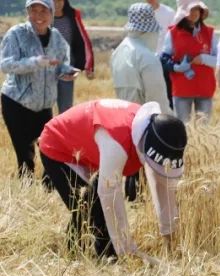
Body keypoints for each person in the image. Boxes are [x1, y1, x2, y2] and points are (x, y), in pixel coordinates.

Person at [38, 99, 186, 262]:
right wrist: (127, 251)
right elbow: (109, 194)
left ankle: (100, 257)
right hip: (59, 146)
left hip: (89, 150)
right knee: (87, 208)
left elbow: (163, 186)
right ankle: (80, 260)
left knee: (92, 209)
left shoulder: (157, 133)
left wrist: (169, 235)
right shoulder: (117, 142)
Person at [1, 0, 77, 179]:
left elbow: (60, 64)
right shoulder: (17, 34)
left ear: (51, 13)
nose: (38, 16)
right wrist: (35, 62)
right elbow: (6, 65)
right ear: (27, 12)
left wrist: (67, 72)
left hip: (44, 105)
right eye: (33, 10)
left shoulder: (57, 37)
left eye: (43, 11)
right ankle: (26, 196)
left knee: (51, 149)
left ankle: (48, 189)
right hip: (16, 102)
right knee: (26, 156)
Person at [161, 0, 217, 123]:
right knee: (182, 128)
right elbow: (163, 60)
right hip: (182, 90)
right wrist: (177, 67)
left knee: (203, 131)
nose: (194, 13)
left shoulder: (210, 33)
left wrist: (204, 59)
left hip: (205, 89)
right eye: (191, 10)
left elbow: (219, 60)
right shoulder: (172, 33)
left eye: (197, 9)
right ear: (183, 13)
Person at [111, 3, 170, 112]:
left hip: (122, 115)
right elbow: (157, 100)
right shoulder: (147, 57)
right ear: (148, 31)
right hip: (144, 119)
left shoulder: (118, 52)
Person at [51, 0, 93, 113]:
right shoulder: (43, 17)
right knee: (45, 105)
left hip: (66, 66)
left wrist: (88, 65)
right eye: (53, 1)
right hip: (46, 66)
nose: (57, 4)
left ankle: (63, 129)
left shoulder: (72, 16)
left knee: (66, 106)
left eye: (59, 0)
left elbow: (83, 38)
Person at [146, 0, 176, 107]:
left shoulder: (169, 13)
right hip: (144, 61)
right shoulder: (140, 12)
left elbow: (174, 37)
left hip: (163, 61)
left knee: (167, 95)